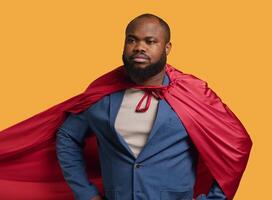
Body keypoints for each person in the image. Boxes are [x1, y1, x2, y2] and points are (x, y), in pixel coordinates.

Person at [54, 13, 252, 200]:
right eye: (132, 40)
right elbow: (67, 135)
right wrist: (86, 193)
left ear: (167, 48)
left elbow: (237, 143)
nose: (139, 47)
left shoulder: (192, 93)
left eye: (150, 41)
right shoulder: (102, 94)